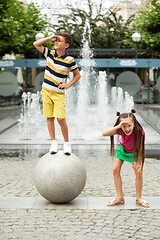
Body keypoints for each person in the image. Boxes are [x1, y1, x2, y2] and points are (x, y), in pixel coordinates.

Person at [33, 32, 81, 155]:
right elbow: (36, 44)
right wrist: (49, 37)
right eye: (55, 40)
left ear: (66, 45)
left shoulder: (69, 60)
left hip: (59, 93)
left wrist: (68, 85)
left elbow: (77, 75)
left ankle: (67, 143)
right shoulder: (50, 53)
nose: (55, 42)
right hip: (46, 91)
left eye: (59, 40)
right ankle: (53, 142)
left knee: (60, 118)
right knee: (49, 117)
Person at [102, 109, 150, 208]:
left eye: (129, 126)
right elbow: (104, 133)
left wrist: (138, 163)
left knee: (139, 172)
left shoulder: (139, 131)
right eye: (124, 126)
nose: (127, 129)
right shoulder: (120, 129)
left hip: (135, 151)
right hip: (123, 149)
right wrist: (118, 126)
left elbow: (141, 149)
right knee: (115, 169)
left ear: (134, 124)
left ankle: (139, 198)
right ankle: (120, 198)